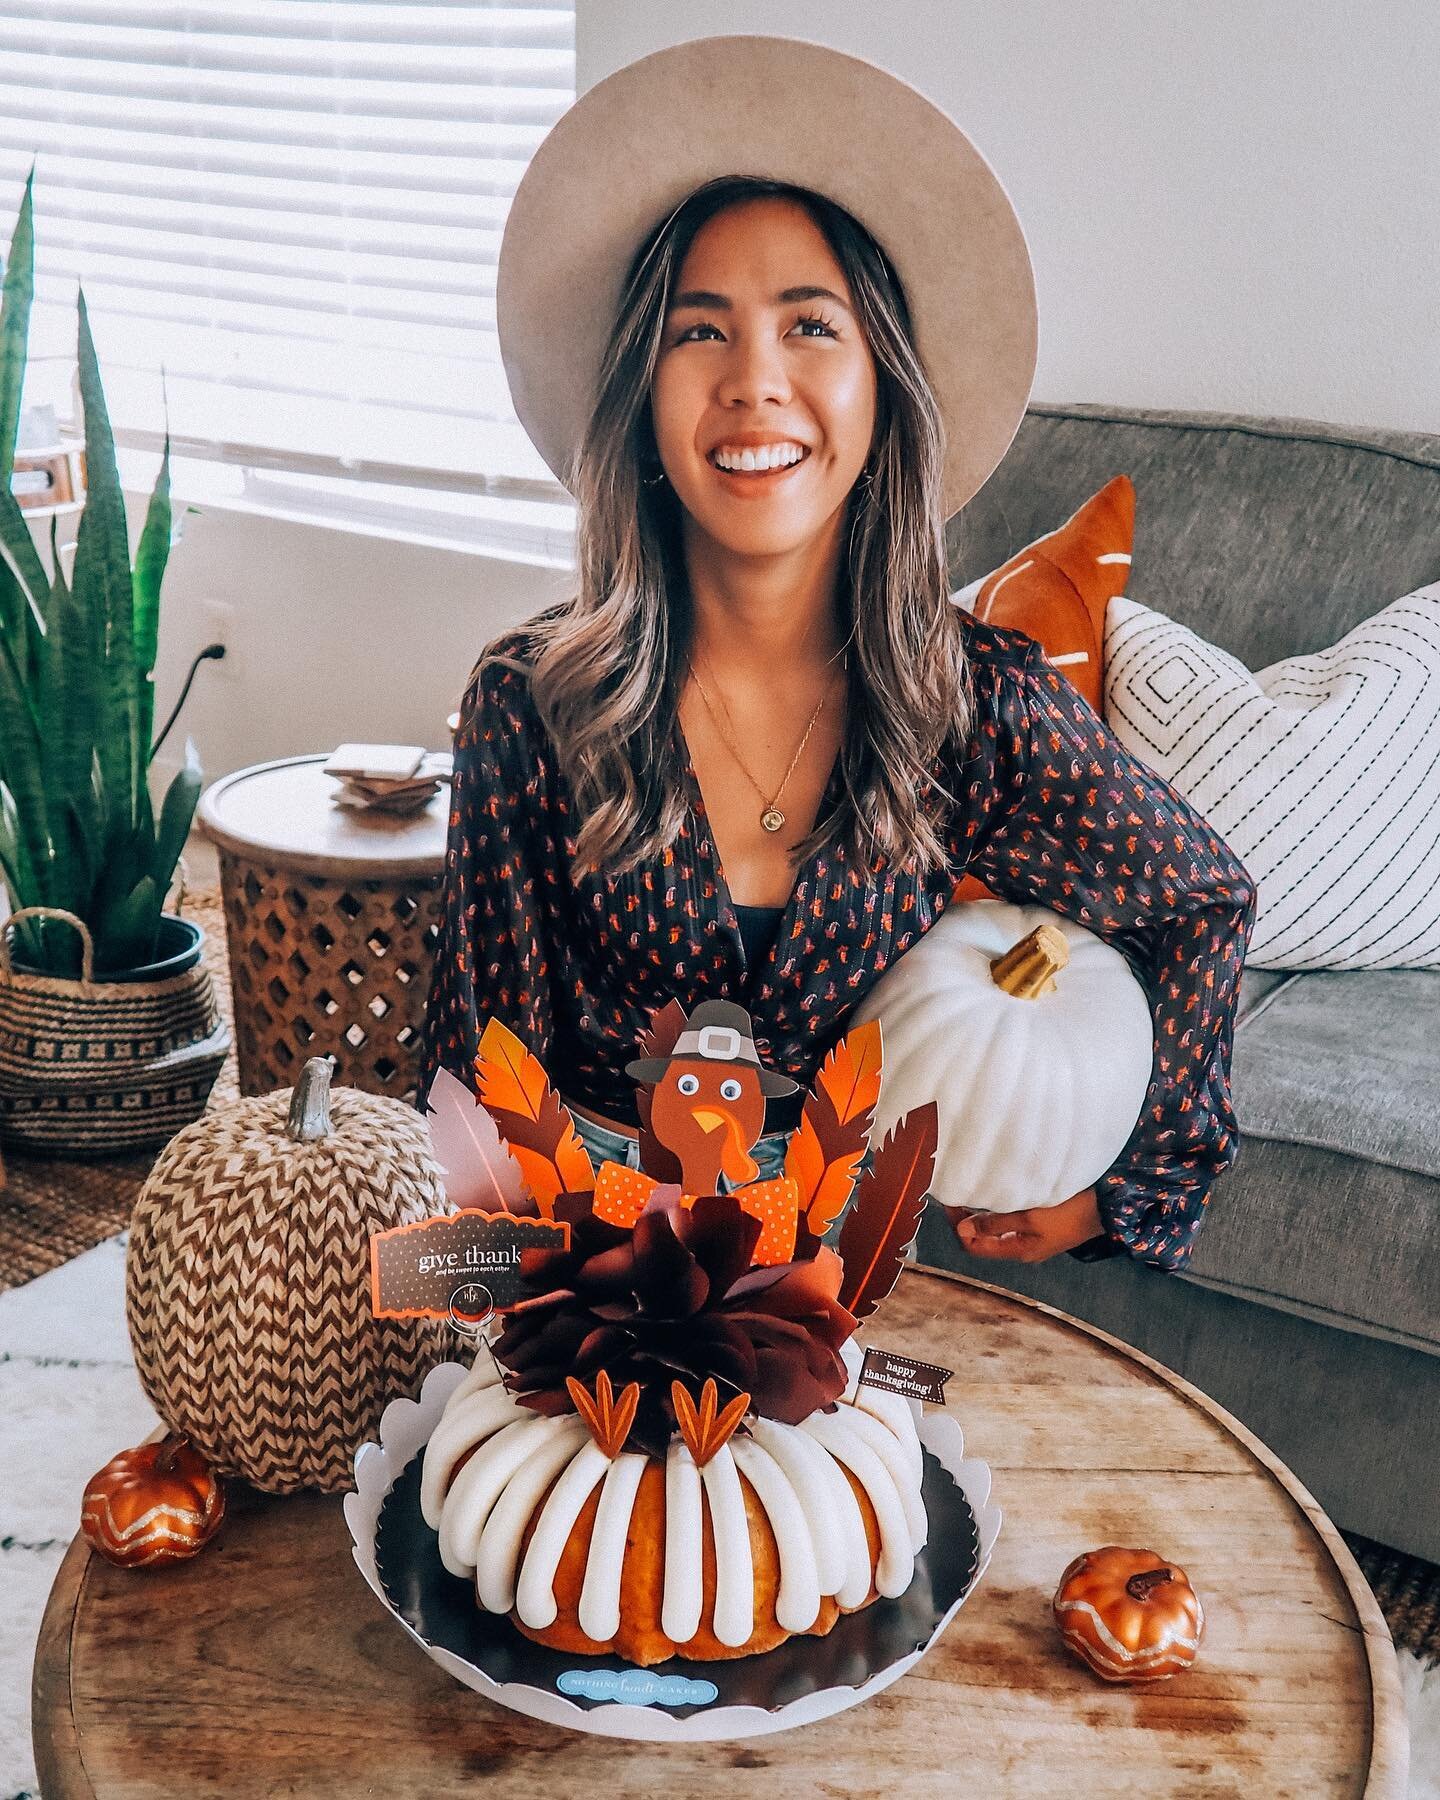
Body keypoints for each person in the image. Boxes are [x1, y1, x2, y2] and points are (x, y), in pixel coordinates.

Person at [416, 37, 1257, 1275]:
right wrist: (477, 1328)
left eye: (811, 326)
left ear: (882, 389)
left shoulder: (977, 709)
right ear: (643, 396)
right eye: (701, 333)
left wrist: (1128, 1187)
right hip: (572, 1291)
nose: (755, 383)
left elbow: (1198, 901)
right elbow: (473, 1081)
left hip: (831, 1304)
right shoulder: (534, 702)